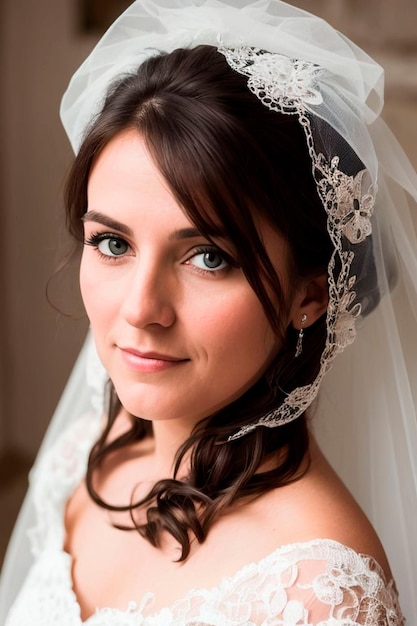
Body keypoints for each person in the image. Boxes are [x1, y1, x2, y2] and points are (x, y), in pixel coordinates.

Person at [1, 0, 416, 624]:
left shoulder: (320, 592)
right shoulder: (103, 445)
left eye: (208, 259)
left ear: (310, 295)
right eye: (112, 243)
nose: (141, 308)